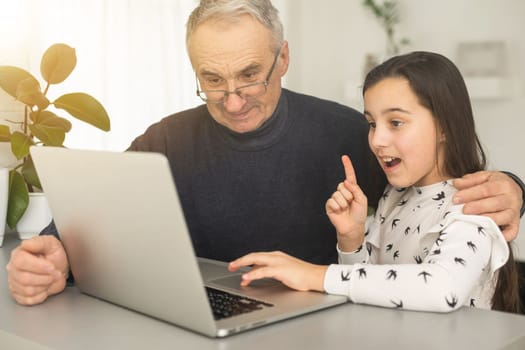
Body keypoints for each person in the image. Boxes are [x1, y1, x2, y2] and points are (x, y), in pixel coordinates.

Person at [6, 0, 524, 306]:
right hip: (207, 321)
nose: (232, 100)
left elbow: (434, 187)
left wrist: (514, 188)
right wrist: (57, 253)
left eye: (250, 75)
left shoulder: (351, 135)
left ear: (284, 60)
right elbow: (93, 215)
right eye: (212, 80)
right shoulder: (166, 139)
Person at [229, 51, 521, 313]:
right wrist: (351, 239)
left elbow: (442, 289)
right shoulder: (395, 196)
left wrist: (313, 275)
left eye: (395, 122)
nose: (377, 140)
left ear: (444, 126)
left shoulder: (474, 204)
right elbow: (371, 292)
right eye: (372, 124)